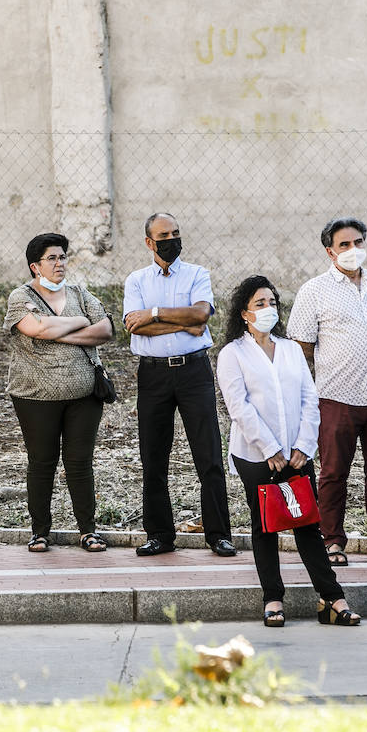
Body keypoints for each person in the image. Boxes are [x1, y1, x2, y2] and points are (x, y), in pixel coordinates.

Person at [216, 276, 360, 627]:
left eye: (272, 302)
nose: (268, 309)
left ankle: (332, 599)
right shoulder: (232, 354)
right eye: (260, 304)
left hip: (297, 454)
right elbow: (239, 407)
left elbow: (310, 400)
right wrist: (270, 449)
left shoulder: (292, 349)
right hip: (255, 456)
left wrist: (303, 447)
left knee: (308, 525)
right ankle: (273, 600)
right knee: (265, 527)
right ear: (244, 313)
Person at [287, 216, 367, 567]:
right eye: (344, 245)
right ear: (330, 251)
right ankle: (331, 542)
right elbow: (302, 344)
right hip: (336, 397)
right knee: (333, 473)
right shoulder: (313, 290)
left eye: (358, 242)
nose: (352, 250)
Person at [123, 213, 235, 558]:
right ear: (148, 242)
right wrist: (180, 321)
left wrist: (154, 313)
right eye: (163, 235)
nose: (170, 239)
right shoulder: (137, 280)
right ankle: (159, 534)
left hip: (194, 372)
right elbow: (134, 326)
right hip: (153, 374)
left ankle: (218, 534)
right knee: (153, 456)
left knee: (208, 454)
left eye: (175, 233)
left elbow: (200, 316)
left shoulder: (197, 273)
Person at [4, 233, 115, 553]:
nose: (59, 263)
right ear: (35, 266)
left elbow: (105, 330)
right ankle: (40, 531)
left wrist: (59, 330)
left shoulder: (80, 293)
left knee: (80, 462)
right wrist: (79, 323)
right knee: (42, 461)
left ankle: (88, 530)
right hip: (35, 395)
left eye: (63, 257)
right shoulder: (20, 296)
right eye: (52, 258)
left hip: (84, 395)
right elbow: (36, 329)